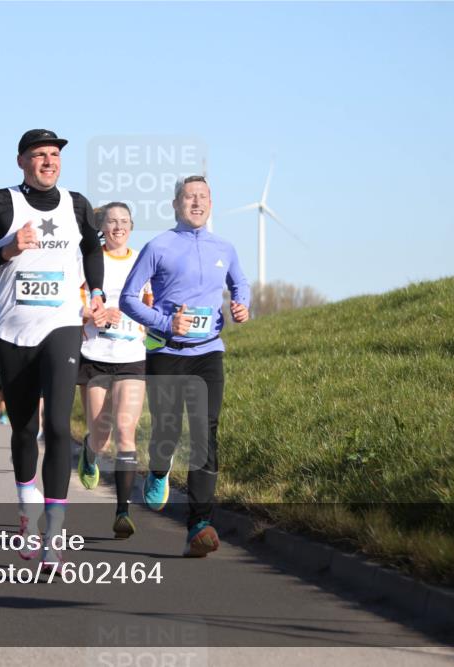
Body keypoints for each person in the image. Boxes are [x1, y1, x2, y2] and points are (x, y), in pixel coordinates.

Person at [0, 129, 106, 570]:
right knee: (24, 429)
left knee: (59, 426)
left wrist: (96, 290)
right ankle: (29, 508)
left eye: (55, 154)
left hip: (61, 327)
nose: (49, 161)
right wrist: (6, 249)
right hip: (12, 333)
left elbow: (91, 248)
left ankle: (54, 535)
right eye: (40, 155)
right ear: (22, 161)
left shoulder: (77, 204)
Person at [120, 175, 250, 557]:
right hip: (166, 352)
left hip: (209, 352)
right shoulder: (158, 246)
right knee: (168, 428)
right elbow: (129, 298)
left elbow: (240, 283)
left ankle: (200, 524)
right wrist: (164, 322)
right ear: (176, 204)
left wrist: (241, 305)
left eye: (203, 197)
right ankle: (159, 470)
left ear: (212, 203)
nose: (197, 203)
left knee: (205, 432)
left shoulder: (224, 247)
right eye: (189, 197)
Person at [76, 202, 153, 539]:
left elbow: (152, 303)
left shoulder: (142, 262)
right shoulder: (90, 261)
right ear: (101, 228)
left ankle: (123, 511)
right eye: (111, 222)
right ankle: (89, 456)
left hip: (131, 355)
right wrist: (93, 315)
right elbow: (72, 302)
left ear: (131, 226)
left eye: (124, 221)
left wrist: (144, 318)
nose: (118, 227)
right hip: (94, 354)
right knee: (101, 435)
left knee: (125, 431)